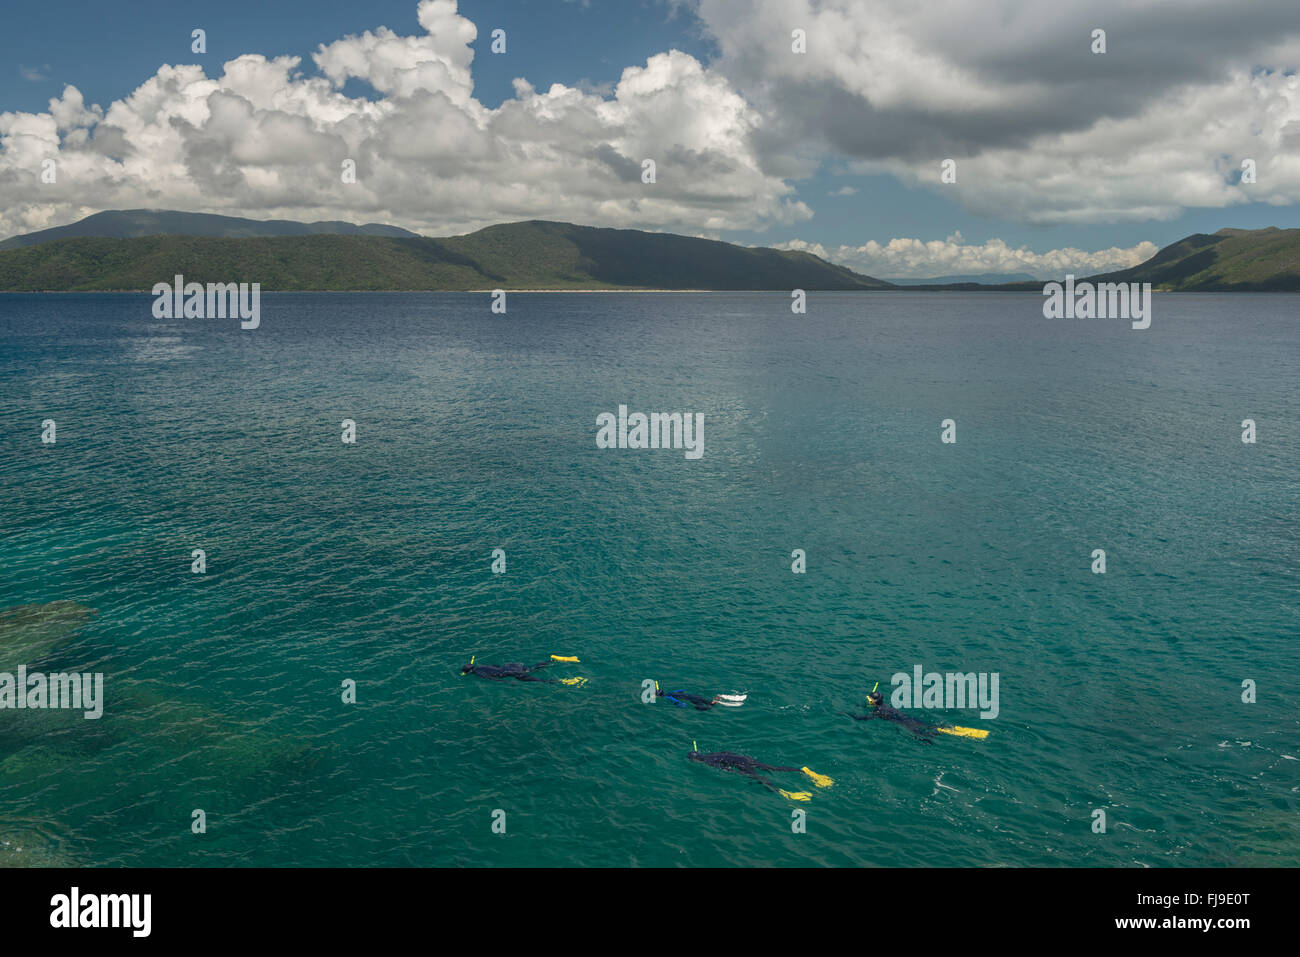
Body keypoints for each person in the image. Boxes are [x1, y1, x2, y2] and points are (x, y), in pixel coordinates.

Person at [688, 746, 832, 801]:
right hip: (744, 758)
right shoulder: (711, 754)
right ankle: (803, 771)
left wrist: (740, 774)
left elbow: (725, 768)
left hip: (740, 763)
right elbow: (727, 753)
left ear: (696, 760)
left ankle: (782, 792)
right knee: (774, 767)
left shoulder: (707, 762)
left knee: (759, 777)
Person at [846, 690, 988, 740]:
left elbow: (863, 719)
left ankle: (939, 732)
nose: (868, 701)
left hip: (905, 723)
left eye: (870, 700)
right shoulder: (885, 706)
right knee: (929, 726)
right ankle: (943, 729)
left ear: (874, 701)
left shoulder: (877, 712)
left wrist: (849, 715)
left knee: (922, 735)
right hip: (909, 718)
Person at [460, 655, 586, 686]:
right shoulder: (481, 666)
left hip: (511, 673)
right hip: (512, 666)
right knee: (533, 668)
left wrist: (506, 683)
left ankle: (564, 681)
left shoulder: (478, 672)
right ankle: (553, 660)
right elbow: (494, 666)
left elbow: (491, 678)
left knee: (539, 680)